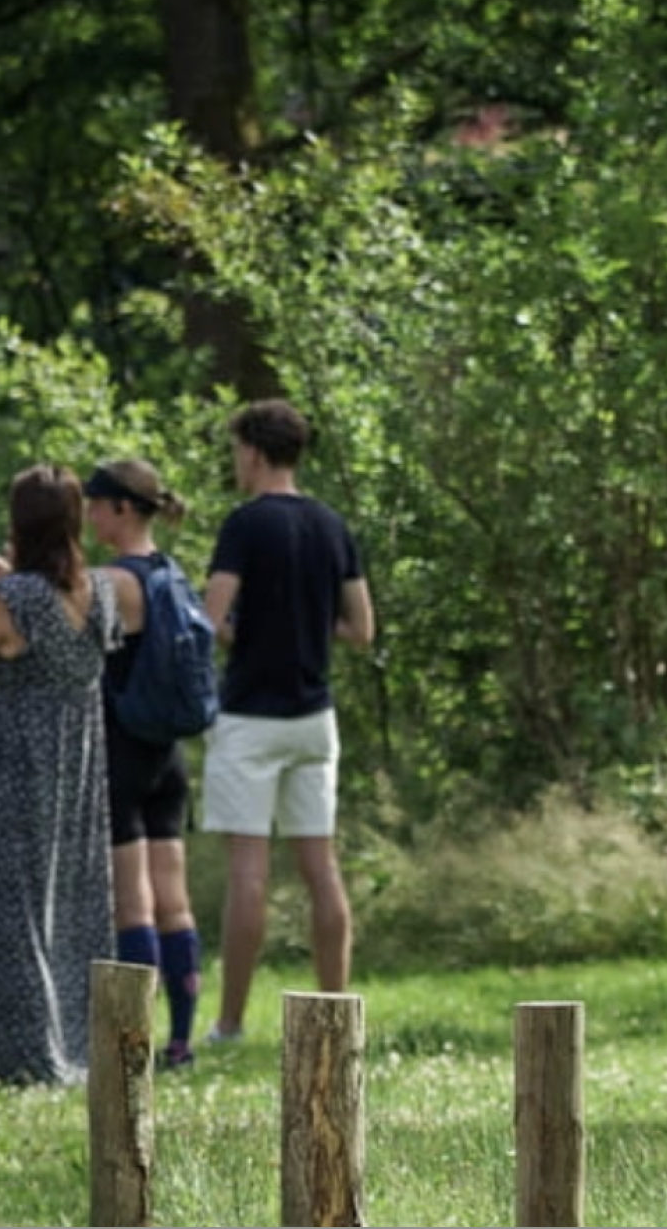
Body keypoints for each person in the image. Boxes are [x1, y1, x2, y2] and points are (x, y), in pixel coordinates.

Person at [197, 399, 374, 1044]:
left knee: (250, 869)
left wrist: (248, 632)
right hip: (313, 716)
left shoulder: (245, 525)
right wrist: (304, 625)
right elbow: (361, 629)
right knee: (320, 866)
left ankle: (231, 1023)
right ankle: (335, 1015)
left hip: (249, 716)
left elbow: (210, 619)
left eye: (237, 450)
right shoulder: (332, 525)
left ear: (255, 451)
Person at [0, 465, 131, 1085]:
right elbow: (64, 613)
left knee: (14, 910)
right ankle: (81, 1046)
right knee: (77, 905)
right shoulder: (104, 591)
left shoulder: (13, 602)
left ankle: (27, 1055)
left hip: (18, 772)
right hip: (82, 773)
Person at [85, 459, 208, 1068]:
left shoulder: (110, 581)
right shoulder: (172, 573)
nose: (88, 514)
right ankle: (182, 1041)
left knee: (133, 906)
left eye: (96, 503)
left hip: (122, 751)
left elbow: (61, 619)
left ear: (122, 509)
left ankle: (135, 1040)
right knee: (175, 902)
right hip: (170, 755)